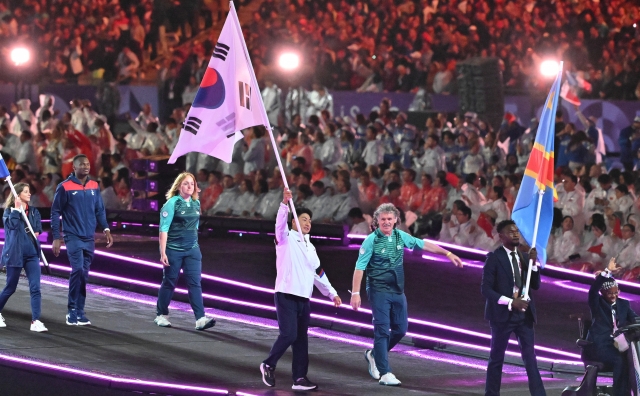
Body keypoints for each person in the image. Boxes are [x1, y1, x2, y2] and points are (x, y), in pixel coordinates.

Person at [350, 203, 463, 386]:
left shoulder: (400, 236)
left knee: (401, 329)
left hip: (397, 290)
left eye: (390, 219)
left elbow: (423, 244)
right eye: (383, 219)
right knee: (382, 330)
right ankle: (385, 372)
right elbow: (359, 267)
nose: (386, 222)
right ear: (377, 221)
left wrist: (448, 253)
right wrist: (355, 293)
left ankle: (373, 354)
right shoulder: (370, 240)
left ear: (396, 220)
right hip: (378, 290)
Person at [260, 188, 341, 391]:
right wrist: (284, 205)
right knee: (288, 334)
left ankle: (299, 379)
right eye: (303, 219)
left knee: (301, 339)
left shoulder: (311, 248)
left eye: (309, 221)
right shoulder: (285, 239)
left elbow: (318, 273)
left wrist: (332, 293)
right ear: (294, 221)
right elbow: (279, 226)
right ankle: (268, 364)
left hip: (304, 298)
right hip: (286, 294)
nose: (307, 223)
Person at [482, 220, 546, 396]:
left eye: (517, 231)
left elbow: (536, 285)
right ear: (502, 237)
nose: (516, 234)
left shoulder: (525, 258)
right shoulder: (494, 258)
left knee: (530, 358)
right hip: (502, 315)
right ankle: (492, 393)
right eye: (511, 232)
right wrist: (510, 302)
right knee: (497, 358)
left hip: (524, 316)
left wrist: (534, 265)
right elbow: (486, 289)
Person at [51, 154, 114, 326]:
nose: (86, 167)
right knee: (77, 269)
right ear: (74, 167)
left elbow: (99, 210)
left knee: (84, 275)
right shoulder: (64, 187)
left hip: (89, 237)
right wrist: (56, 237)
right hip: (72, 236)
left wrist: (106, 229)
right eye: (82, 164)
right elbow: (55, 211)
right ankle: (71, 309)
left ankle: (80, 310)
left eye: (87, 164)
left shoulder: (94, 186)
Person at [154, 172, 216, 331]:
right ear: (179, 186)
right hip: (174, 250)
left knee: (195, 283)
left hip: (192, 251)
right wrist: (163, 252)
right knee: (169, 281)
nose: (189, 186)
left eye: (192, 184)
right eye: (186, 183)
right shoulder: (172, 203)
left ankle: (200, 319)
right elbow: (163, 229)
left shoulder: (196, 203)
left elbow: (195, 226)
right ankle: (161, 314)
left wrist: (194, 244)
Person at [586, 259, 638, 396]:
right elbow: (593, 291)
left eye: (616, 292)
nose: (614, 296)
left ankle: (630, 391)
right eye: (610, 293)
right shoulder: (597, 303)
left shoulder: (624, 304)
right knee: (619, 360)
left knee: (632, 358)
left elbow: (635, 319)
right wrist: (606, 272)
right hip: (601, 346)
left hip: (620, 344)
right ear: (602, 293)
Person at [0, 183, 47, 332]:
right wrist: (16, 210)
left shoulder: (34, 212)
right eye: (25, 192)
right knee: (10, 287)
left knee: (35, 288)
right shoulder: (8, 212)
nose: (29, 194)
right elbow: (12, 227)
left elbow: (37, 232)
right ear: (18, 195)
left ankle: (36, 321)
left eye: (29, 191)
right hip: (15, 254)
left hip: (32, 254)